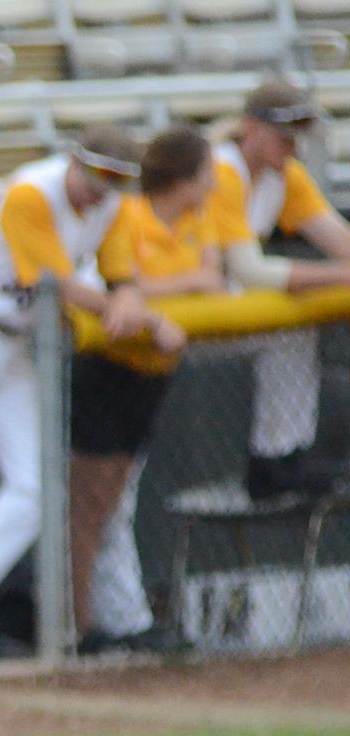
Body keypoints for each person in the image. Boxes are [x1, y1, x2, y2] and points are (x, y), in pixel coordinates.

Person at [0, 127, 184, 665]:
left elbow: (121, 275)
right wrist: (135, 312)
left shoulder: (112, 207)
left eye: (115, 182)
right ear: (74, 162)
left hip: (16, 345)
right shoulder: (32, 191)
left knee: (37, 484)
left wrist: (129, 298)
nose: (101, 190)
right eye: (96, 175)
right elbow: (57, 284)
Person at [72, 127, 229, 654]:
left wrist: (151, 294)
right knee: (90, 502)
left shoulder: (195, 221)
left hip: (152, 376)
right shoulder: (129, 215)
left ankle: (121, 619)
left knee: (119, 502)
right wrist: (155, 293)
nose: (211, 187)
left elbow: (210, 282)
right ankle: (79, 626)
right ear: (181, 179)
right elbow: (123, 292)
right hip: (108, 369)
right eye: (204, 176)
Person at [208, 81, 350, 500]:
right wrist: (340, 276)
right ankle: (274, 461)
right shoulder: (221, 168)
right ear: (251, 127)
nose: (292, 147)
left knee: (292, 331)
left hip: (224, 302)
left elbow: (340, 240)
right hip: (162, 302)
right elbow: (249, 271)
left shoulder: (282, 175)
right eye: (283, 136)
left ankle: (279, 460)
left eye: (297, 138)